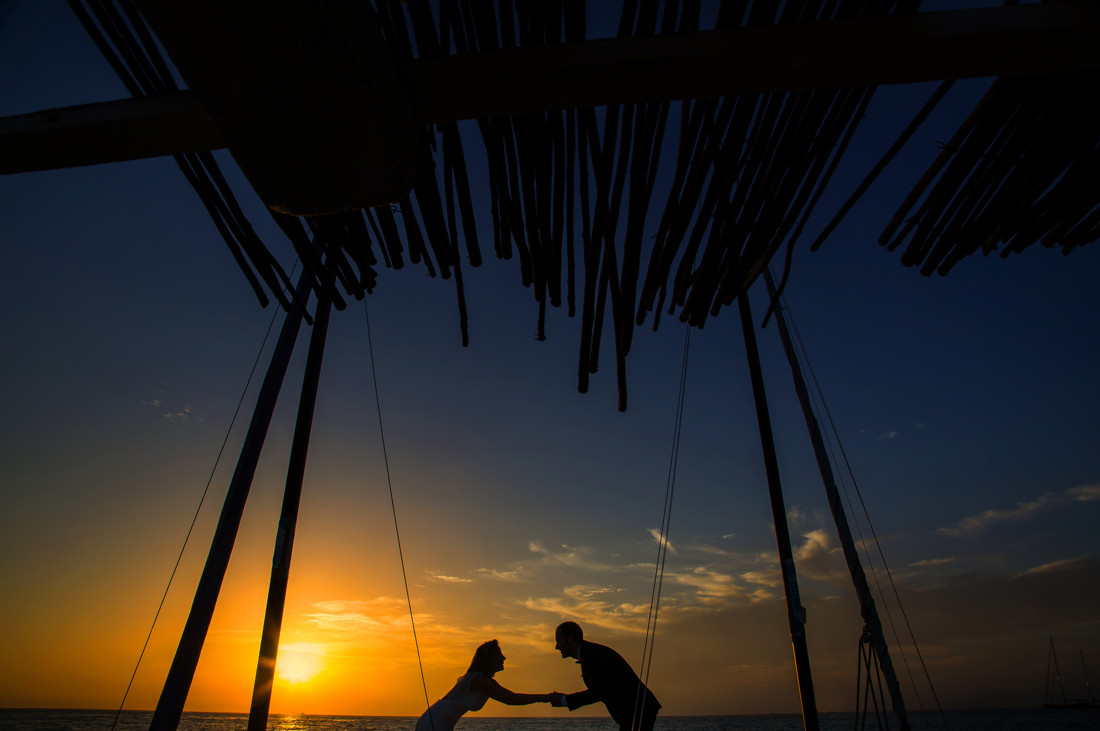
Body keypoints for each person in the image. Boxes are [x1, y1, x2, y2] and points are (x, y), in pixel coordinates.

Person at [414, 639, 553, 730]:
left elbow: (511, 696)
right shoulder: (478, 681)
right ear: (489, 659)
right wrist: (544, 698)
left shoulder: (484, 681)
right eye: (499, 654)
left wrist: (544, 697)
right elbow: (511, 699)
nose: (504, 658)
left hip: (436, 722)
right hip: (433, 722)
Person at [550, 620, 661, 731]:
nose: (556, 647)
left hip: (639, 710)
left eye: (559, 641)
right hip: (633, 712)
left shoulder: (591, 655)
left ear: (570, 640)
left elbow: (597, 692)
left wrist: (564, 700)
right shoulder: (589, 653)